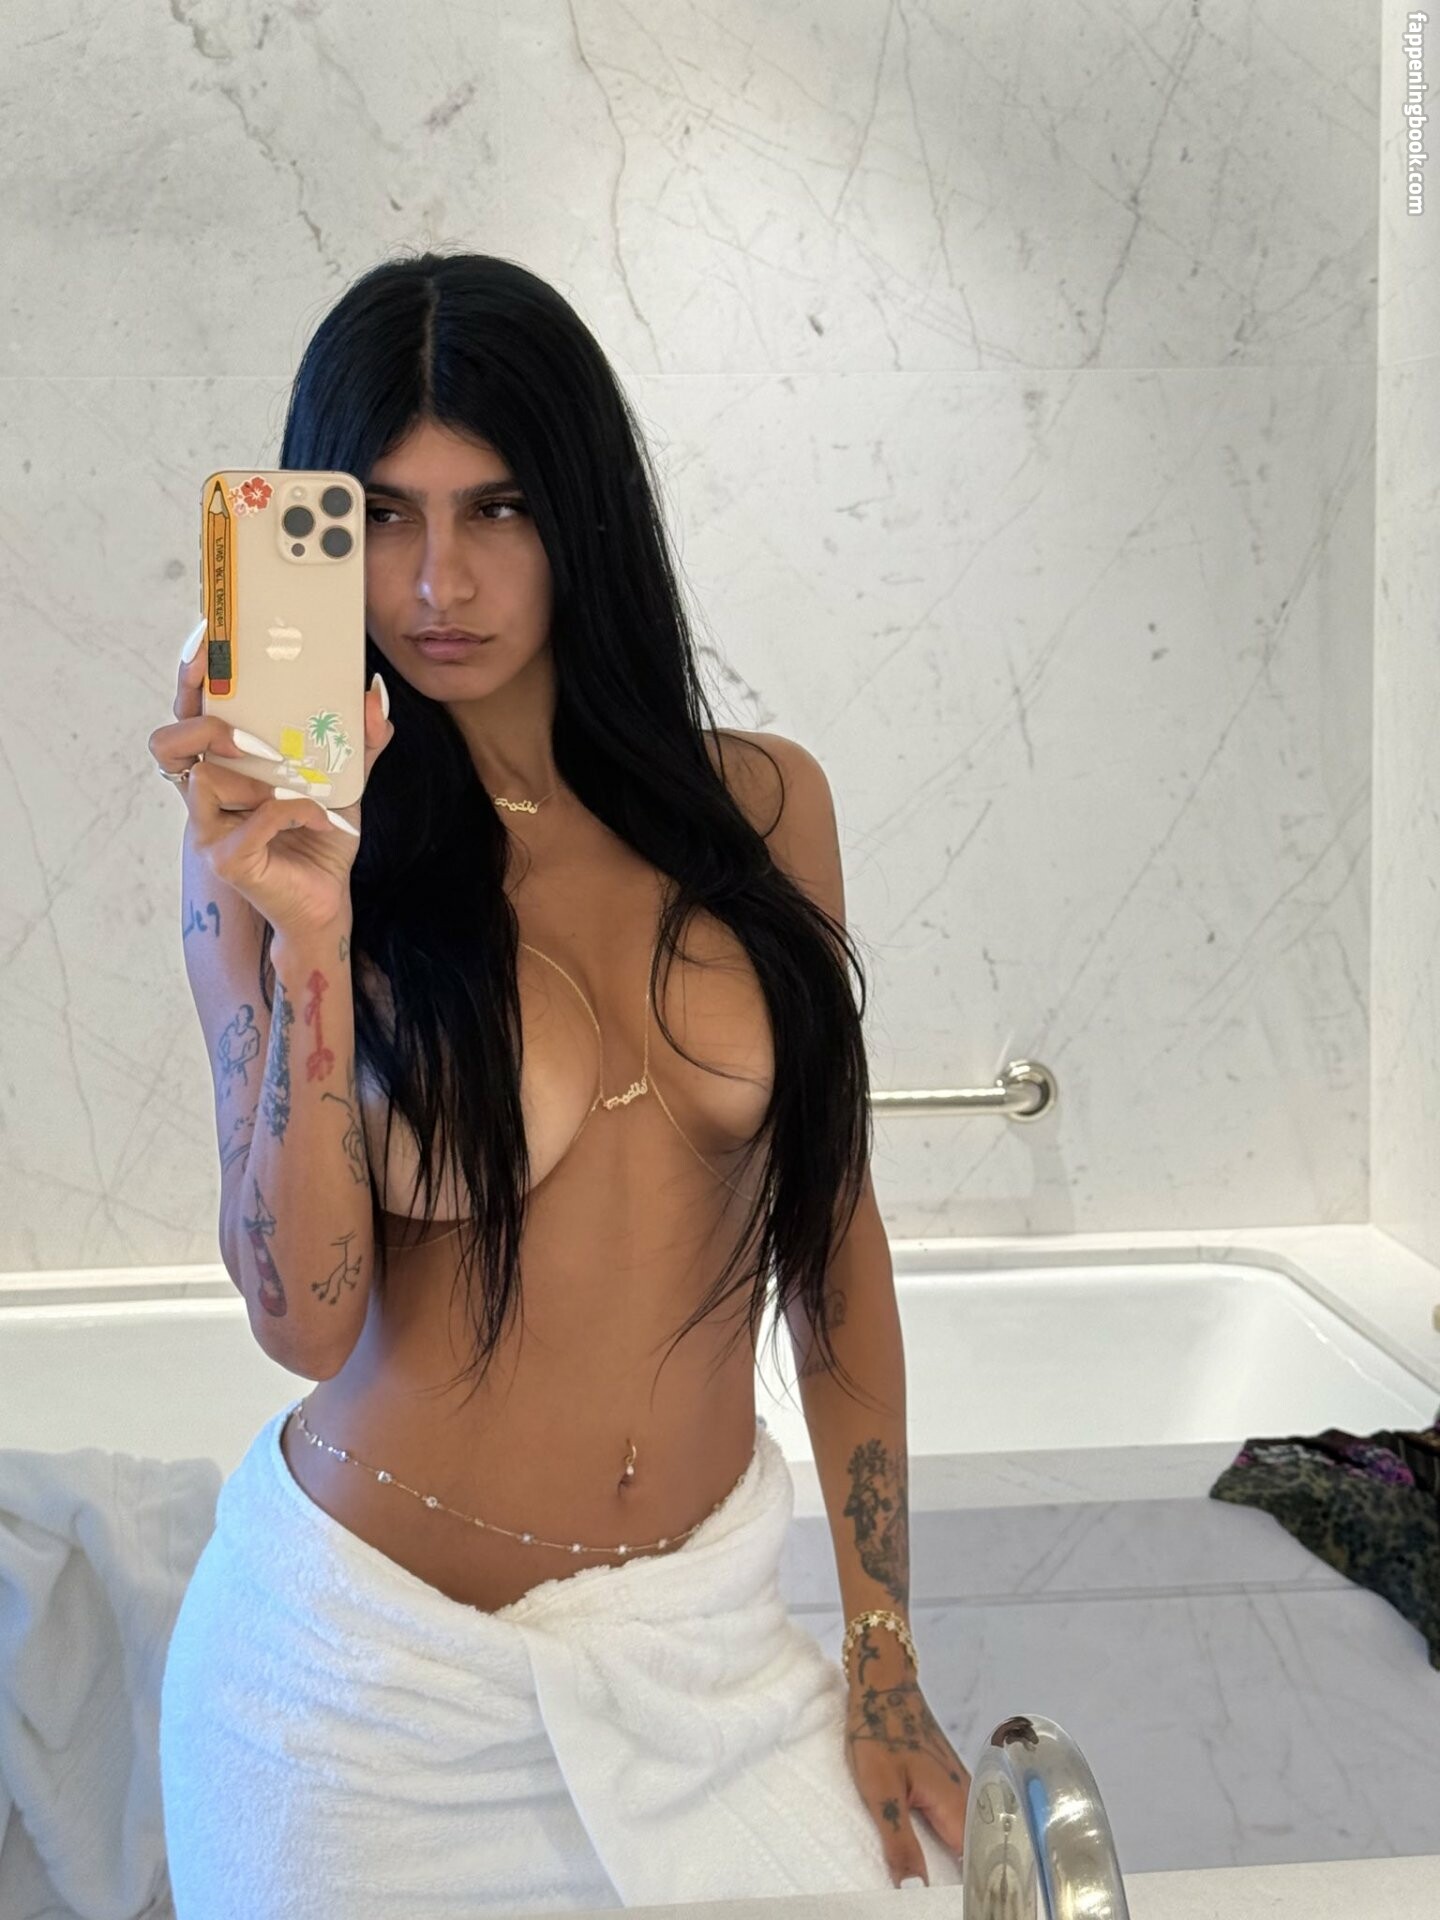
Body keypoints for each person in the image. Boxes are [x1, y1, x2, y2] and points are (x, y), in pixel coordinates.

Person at [150, 250, 970, 1915]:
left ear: (583, 513)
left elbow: (833, 1246)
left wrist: (880, 1654)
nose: (437, 580)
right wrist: (313, 943)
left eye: (499, 509)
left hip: (702, 1659)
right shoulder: (277, 858)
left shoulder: (765, 810)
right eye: (384, 517)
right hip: (364, 1703)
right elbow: (302, 1320)